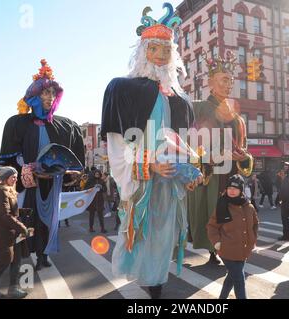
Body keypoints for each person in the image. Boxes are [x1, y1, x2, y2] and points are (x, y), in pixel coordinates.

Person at [101, 4, 200, 299]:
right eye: (154, 48)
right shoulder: (124, 89)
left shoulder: (179, 99)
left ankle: (156, 285)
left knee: (164, 236)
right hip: (145, 181)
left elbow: (182, 143)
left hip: (170, 182)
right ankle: (153, 287)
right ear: (144, 50)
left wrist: (189, 171)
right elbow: (119, 144)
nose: (160, 55)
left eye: (166, 49)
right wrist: (148, 164)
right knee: (143, 234)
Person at [0, 59, 85, 271]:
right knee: (26, 219)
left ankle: (44, 255)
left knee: (50, 220)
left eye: (53, 94)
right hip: (27, 184)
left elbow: (72, 160)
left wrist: (69, 173)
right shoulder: (17, 123)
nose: (50, 97)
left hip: (51, 183)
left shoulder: (66, 126)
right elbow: (8, 160)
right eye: (45, 93)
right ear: (35, 97)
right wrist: (24, 169)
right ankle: (22, 255)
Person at [188, 50, 253, 265]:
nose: (229, 85)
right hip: (211, 177)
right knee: (212, 215)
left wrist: (242, 157)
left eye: (231, 81)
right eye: (224, 80)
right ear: (210, 82)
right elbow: (187, 144)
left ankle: (229, 250)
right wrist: (209, 159)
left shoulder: (237, 118)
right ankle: (213, 251)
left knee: (232, 216)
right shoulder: (197, 108)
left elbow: (244, 150)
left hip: (232, 175)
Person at [207, 175, 259, 299]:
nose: (231, 191)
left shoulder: (249, 206)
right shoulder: (222, 205)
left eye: (235, 188)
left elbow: (255, 224)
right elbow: (212, 226)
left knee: (231, 277)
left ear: (241, 190)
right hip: (227, 250)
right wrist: (217, 242)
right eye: (229, 188)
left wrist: (253, 239)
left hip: (244, 249)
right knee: (239, 279)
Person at [0, 166, 34, 299]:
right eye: (13, 177)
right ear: (5, 178)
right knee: (4, 262)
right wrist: (22, 227)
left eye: (16, 177)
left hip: (13, 233)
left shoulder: (10, 191)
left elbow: (12, 211)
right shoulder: (1, 193)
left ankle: (13, 288)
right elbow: (5, 215)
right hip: (4, 234)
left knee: (16, 260)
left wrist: (23, 211)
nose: (15, 179)